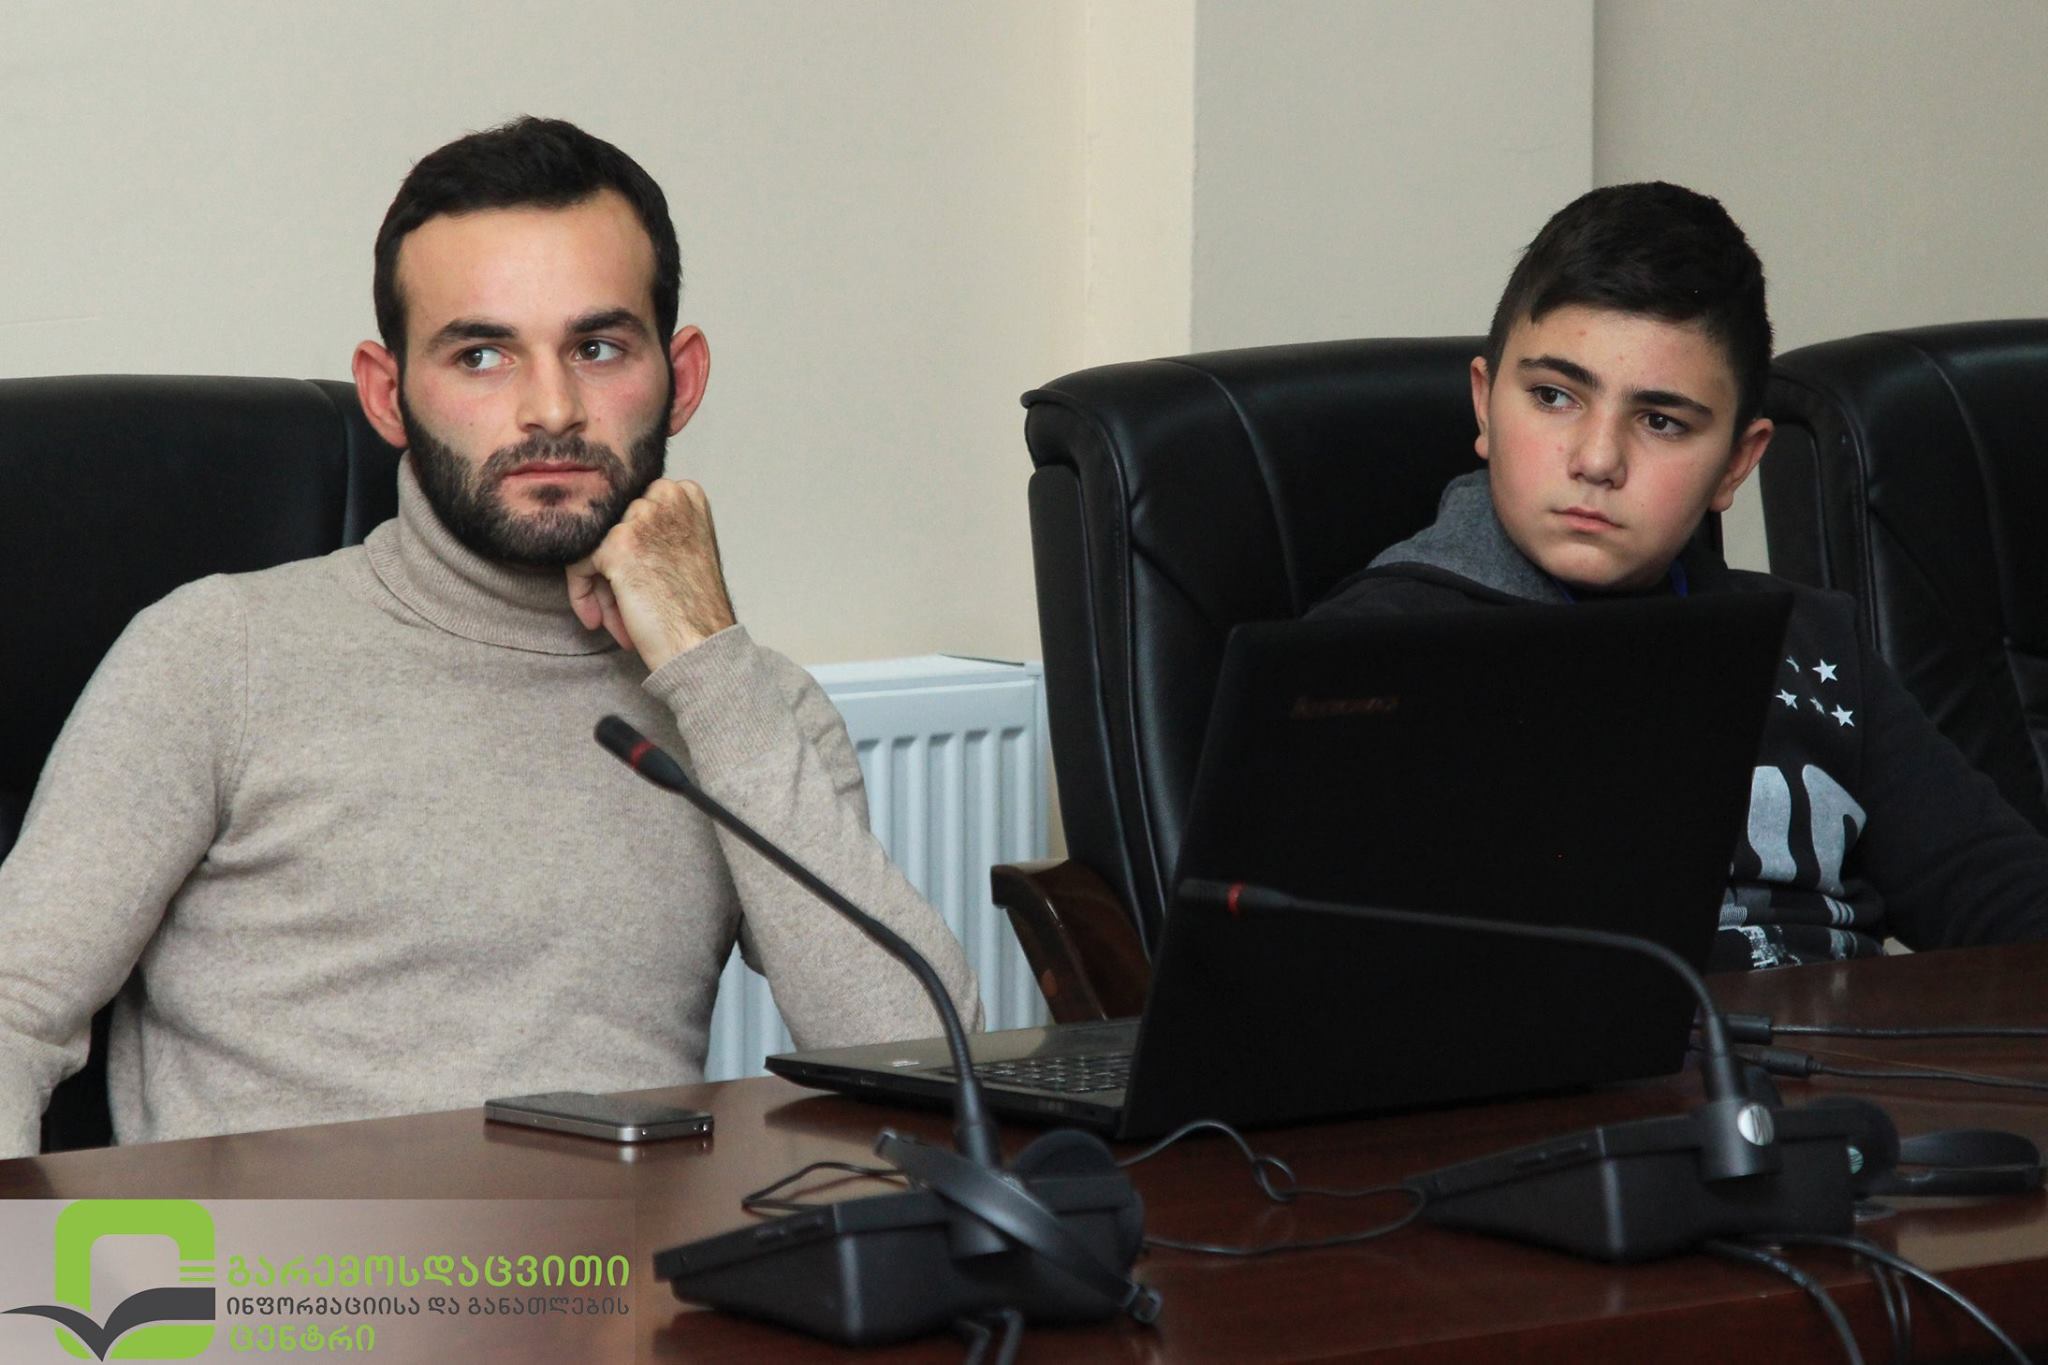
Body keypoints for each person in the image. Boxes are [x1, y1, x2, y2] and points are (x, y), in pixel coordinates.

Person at [0, 117, 981, 1157]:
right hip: (289, 1263)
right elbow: (13, 1010)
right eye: (481, 355)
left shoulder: (755, 707)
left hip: (630, 1260)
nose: (550, 409)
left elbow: (927, 1081)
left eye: (597, 348)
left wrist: (710, 668)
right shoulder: (216, 656)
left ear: (682, 377)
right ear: (388, 395)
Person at [1313, 181, 2048, 970]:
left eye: (1661, 421)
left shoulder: (1809, 640)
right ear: (1486, 405)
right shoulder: (1376, 655)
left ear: (1736, 462)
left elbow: (2006, 898)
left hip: (1853, 1034)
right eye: (1554, 396)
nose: (1598, 459)